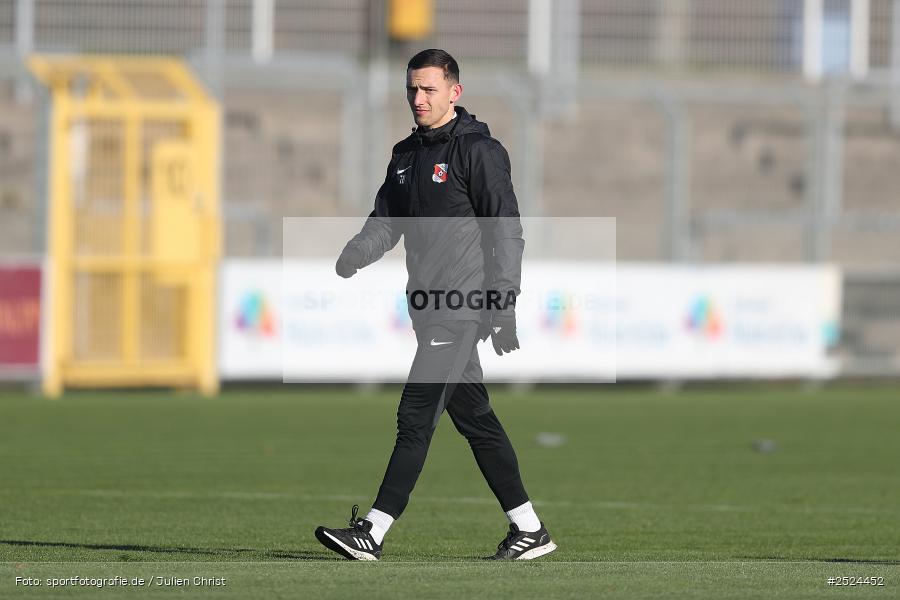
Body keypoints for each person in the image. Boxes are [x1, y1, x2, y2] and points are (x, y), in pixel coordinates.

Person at [314, 49, 555, 561]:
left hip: (460, 306)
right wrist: (359, 250)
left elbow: (506, 231)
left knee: (415, 415)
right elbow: (388, 218)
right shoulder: (405, 154)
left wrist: (503, 303)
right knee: (477, 421)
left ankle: (372, 531)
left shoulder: (478, 151)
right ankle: (530, 530)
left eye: (428, 90)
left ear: (454, 93)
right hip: (429, 308)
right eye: (411, 90)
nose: (418, 99)